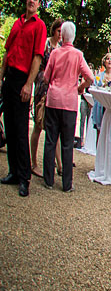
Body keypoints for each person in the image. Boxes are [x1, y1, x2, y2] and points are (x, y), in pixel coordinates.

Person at [1, 0, 48, 197]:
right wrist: (0, 76)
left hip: (22, 79)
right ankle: (13, 171)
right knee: (9, 127)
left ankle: (24, 178)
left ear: (39, 4)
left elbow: (37, 57)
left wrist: (29, 84)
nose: (31, 1)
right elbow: (7, 51)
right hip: (9, 77)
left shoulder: (39, 26)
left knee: (20, 130)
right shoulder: (17, 23)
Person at [41, 21, 93, 192]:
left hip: (54, 100)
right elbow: (90, 78)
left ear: (61, 35)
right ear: (74, 36)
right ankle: (67, 184)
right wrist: (80, 87)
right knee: (67, 143)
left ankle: (48, 180)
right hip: (70, 102)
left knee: (50, 140)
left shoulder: (55, 53)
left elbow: (46, 77)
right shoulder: (78, 55)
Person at [30, 18, 62, 176]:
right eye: (58, 31)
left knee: (54, 127)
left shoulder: (61, 48)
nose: (60, 34)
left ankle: (60, 164)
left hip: (55, 89)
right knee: (38, 124)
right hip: (42, 87)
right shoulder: (46, 44)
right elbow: (36, 64)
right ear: (54, 30)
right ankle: (33, 162)